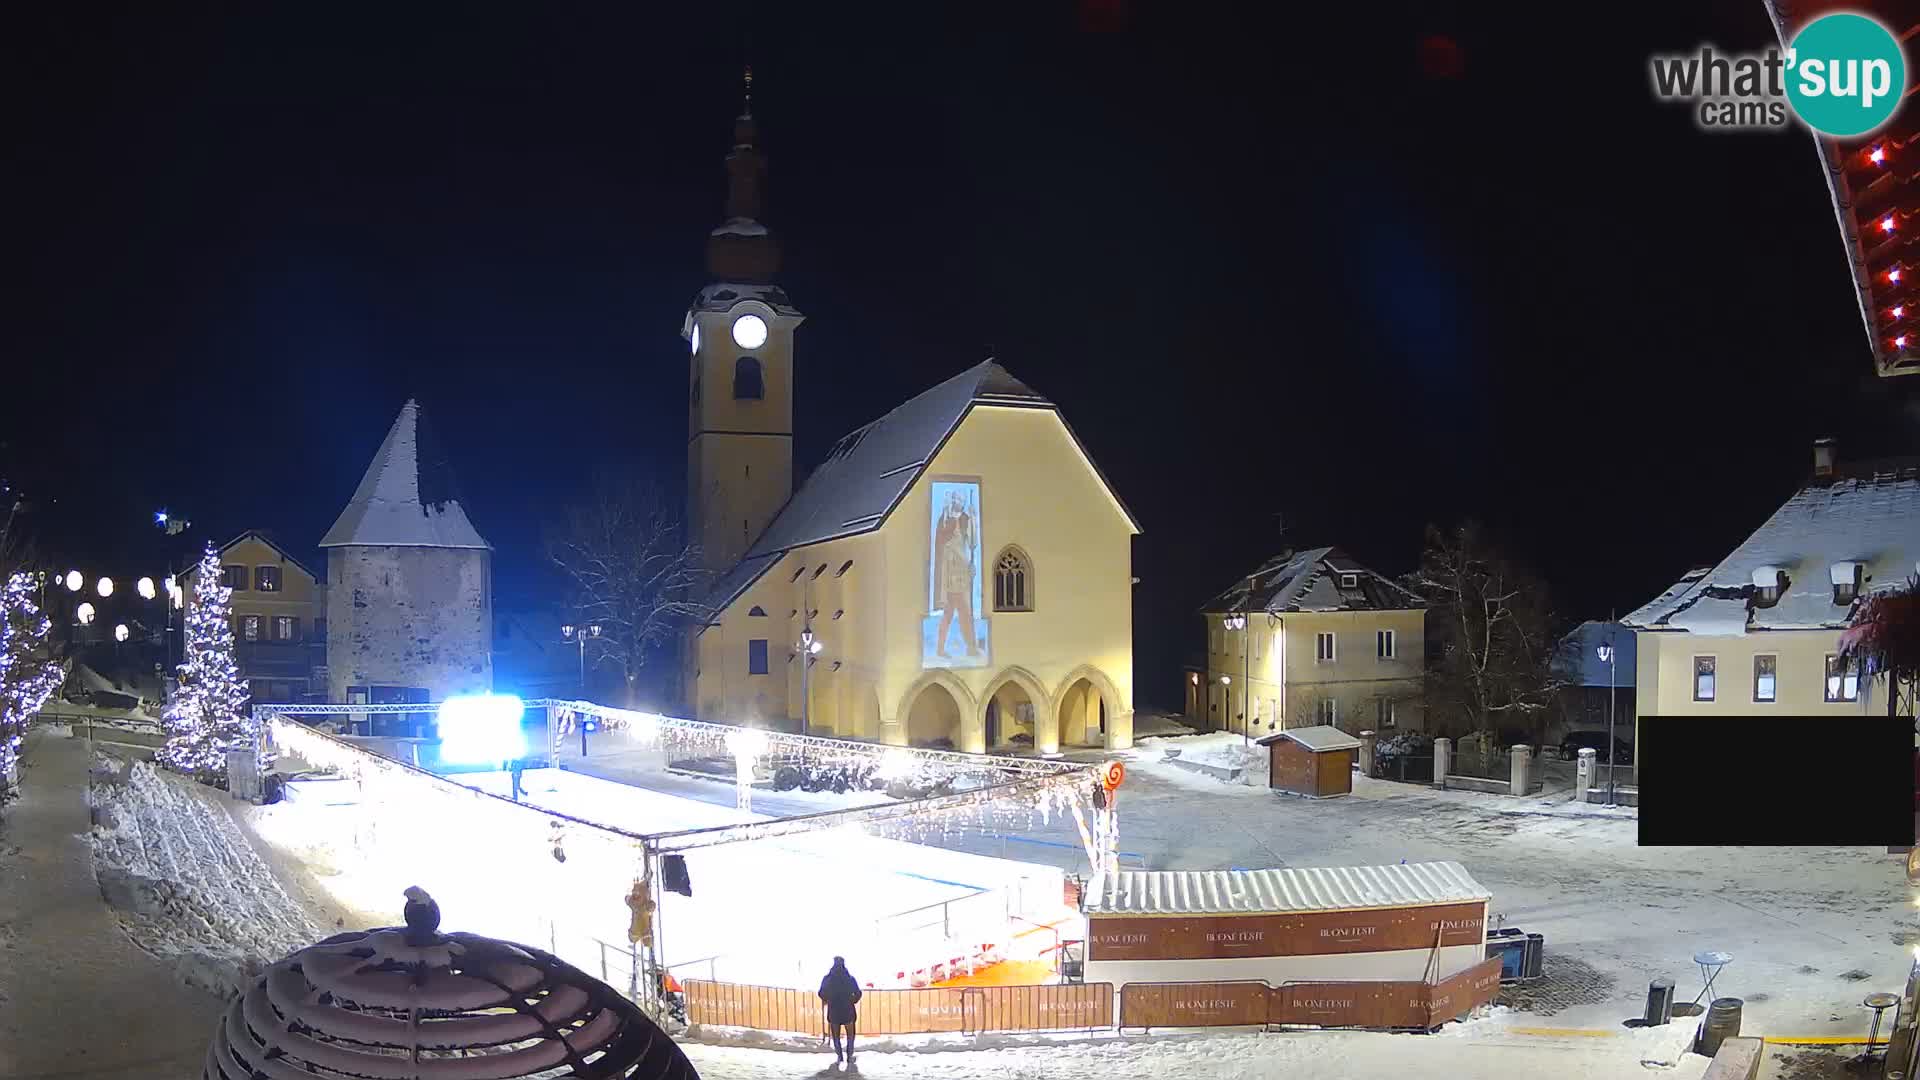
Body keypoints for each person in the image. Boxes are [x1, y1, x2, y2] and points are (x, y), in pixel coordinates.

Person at [932, 490, 980, 660]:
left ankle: (969, 647)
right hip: (949, 573)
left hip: (962, 572)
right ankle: (943, 649)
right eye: (954, 497)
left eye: (960, 498)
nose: (956, 500)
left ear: (964, 500)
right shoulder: (944, 518)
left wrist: (974, 519)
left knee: (961, 613)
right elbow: (940, 541)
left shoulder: (966, 519)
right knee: (952, 612)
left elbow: (973, 542)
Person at [818, 956, 863, 1064]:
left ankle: (840, 1056)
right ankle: (849, 1055)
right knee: (850, 1035)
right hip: (848, 1010)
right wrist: (853, 1000)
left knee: (836, 1036)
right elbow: (858, 993)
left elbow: (821, 993)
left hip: (834, 1011)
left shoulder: (827, 979)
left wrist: (827, 999)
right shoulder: (850, 978)